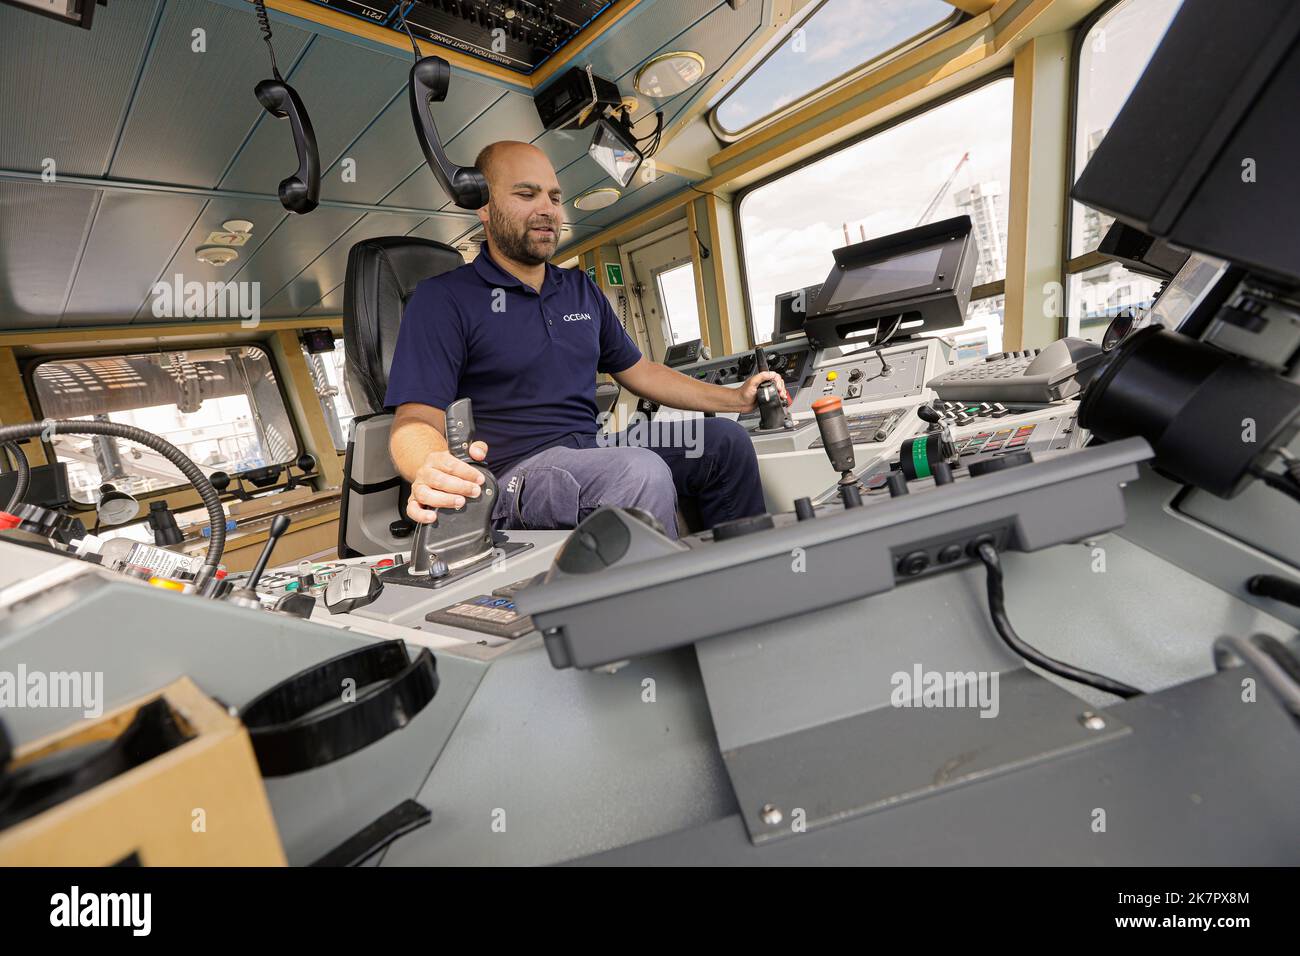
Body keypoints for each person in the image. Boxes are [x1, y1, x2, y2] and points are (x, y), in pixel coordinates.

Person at [384, 140, 787, 538]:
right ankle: (670, 601)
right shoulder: (444, 298)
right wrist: (429, 464)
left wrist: (735, 399)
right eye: (526, 193)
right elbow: (414, 421)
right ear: (485, 207)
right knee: (637, 471)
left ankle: (745, 582)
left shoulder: (579, 288)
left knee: (724, 441)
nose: (547, 209)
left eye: (554, 197)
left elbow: (641, 371)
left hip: (592, 447)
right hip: (515, 475)